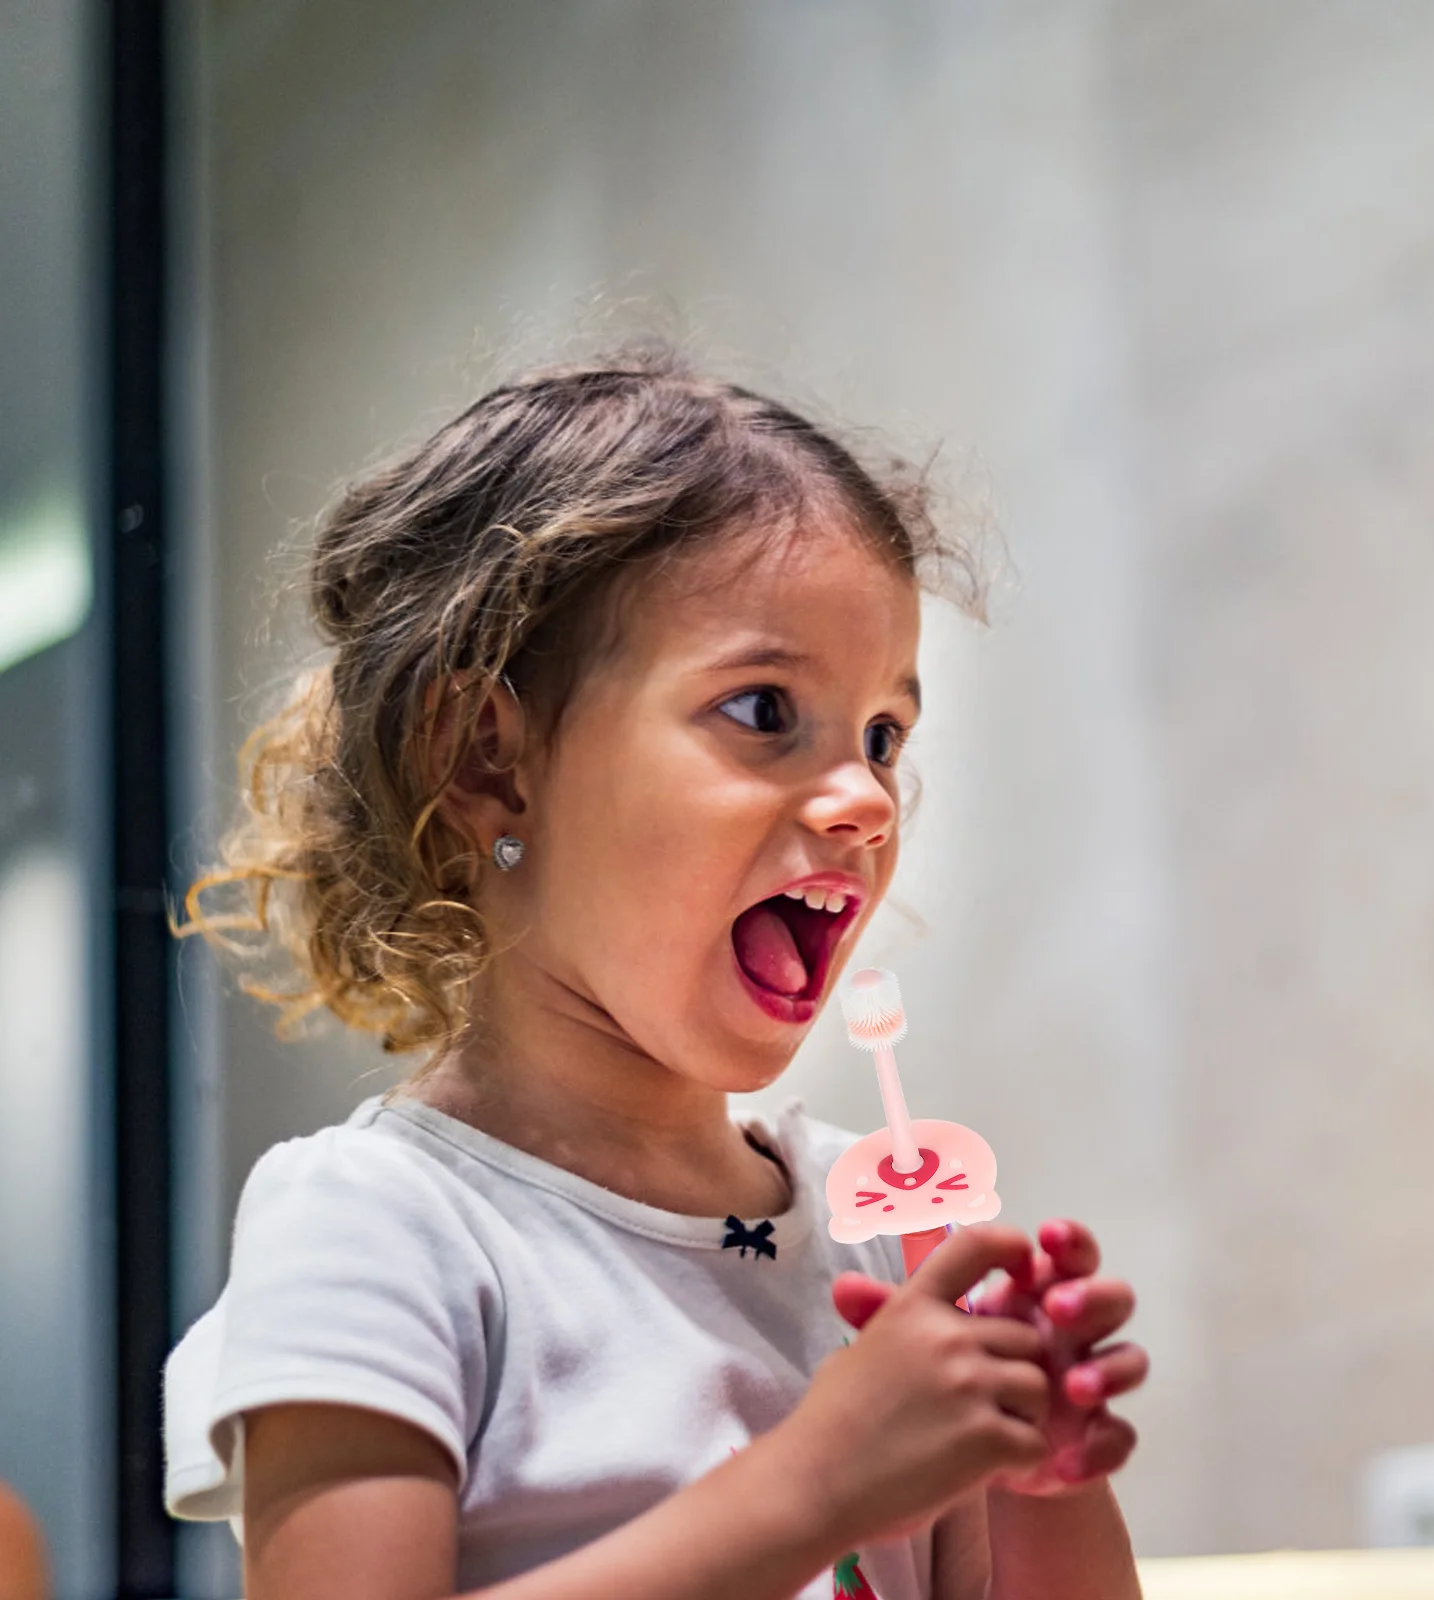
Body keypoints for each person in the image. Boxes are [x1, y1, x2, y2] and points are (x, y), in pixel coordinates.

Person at [163, 354, 1149, 1600]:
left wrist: (1036, 1478)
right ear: (488, 765)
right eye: (762, 708)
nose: (863, 797)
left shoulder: (884, 1229)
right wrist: (817, 1487)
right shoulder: (380, 1224)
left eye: (883, 734)